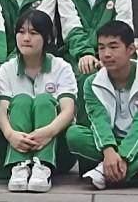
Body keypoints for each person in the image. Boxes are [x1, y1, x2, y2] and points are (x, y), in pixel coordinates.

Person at [0, 10, 76, 193]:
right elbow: (2, 110)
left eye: (33, 33)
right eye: (21, 32)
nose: (26, 38)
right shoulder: (7, 69)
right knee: (22, 100)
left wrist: (48, 132)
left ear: (47, 38)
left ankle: (43, 166)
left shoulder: (61, 67)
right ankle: (19, 165)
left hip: (57, 148)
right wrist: (10, 135)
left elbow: (68, 110)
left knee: (43, 101)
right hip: (16, 143)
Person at [66, 21, 138, 189]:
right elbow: (99, 120)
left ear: (131, 50)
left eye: (113, 47)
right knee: (74, 134)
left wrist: (124, 156)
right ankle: (124, 172)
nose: (106, 54)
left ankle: (104, 174)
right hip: (111, 139)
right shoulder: (92, 82)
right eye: (101, 48)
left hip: (135, 138)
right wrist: (109, 151)